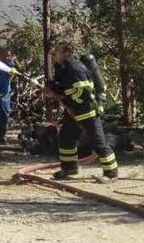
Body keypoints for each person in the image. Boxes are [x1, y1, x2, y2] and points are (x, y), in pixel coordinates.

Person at [42, 41, 117, 180]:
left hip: (87, 110)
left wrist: (58, 95)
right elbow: (61, 84)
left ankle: (111, 174)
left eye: (57, 50)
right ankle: (69, 168)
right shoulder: (62, 67)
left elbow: (82, 92)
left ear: (66, 53)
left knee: (98, 142)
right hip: (73, 110)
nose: (54, 52)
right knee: (66, 137)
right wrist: (51, 87)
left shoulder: (76, 69)